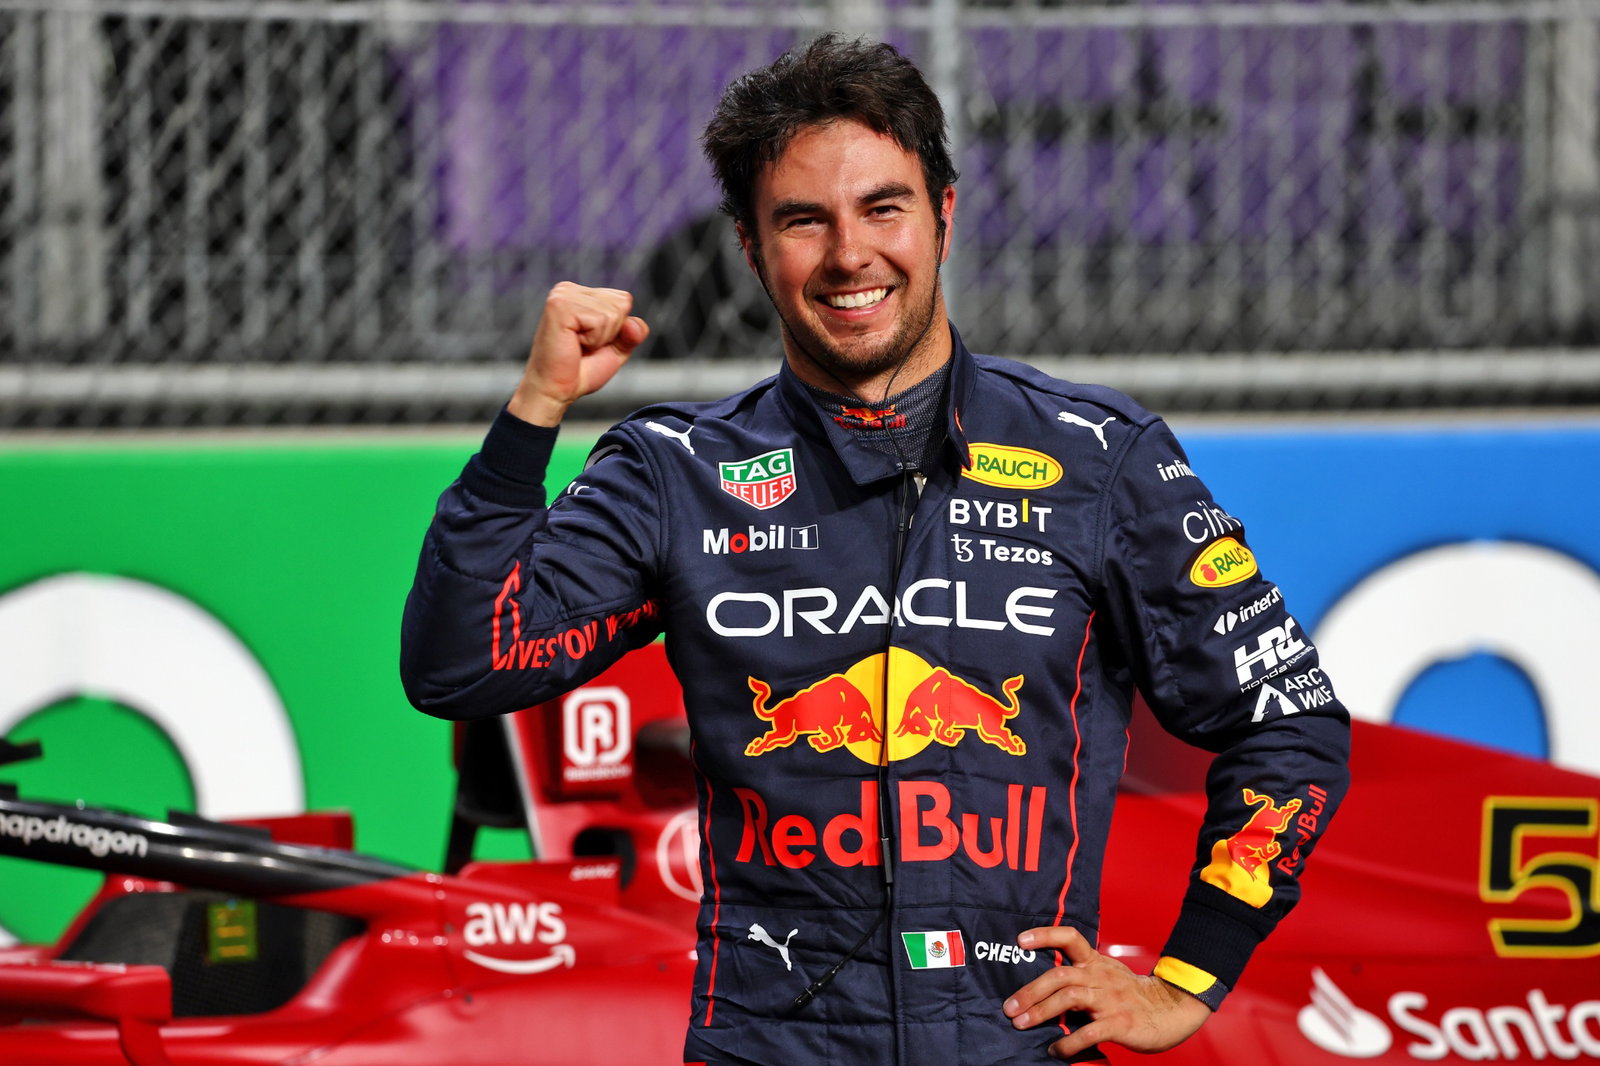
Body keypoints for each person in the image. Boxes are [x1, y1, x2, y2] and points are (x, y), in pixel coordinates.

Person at [401, 33, 1350, 1066]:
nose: (849, 255)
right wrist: (534, 411)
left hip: (1015, 1046)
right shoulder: (676, 471)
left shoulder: (1097, 458)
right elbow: (462, 664)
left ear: (943, 214)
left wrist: (1190, 973)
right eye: (803, 220)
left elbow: (1288, 718)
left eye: (882, 208)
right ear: (750, 248)